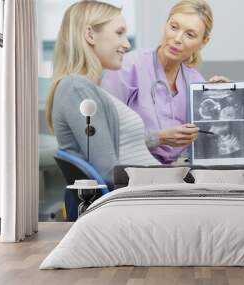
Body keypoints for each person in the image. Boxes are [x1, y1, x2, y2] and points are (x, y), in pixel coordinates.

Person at [45, 0, 161, 220]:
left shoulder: (88, 89)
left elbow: (119, 144)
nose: (127, 44)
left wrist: (161, 140)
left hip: (142, 196)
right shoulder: (76, 88)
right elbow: (108, 171)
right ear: (90, 35)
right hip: (135, 204)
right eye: (119, 33)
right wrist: (166, 180)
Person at [102, 0, 228, 164]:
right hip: (130, 171)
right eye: (174, 27)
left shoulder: (196, 82)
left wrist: (225, 99)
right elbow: (103, 135)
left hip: (175, 173)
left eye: (189, 35)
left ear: (203, 42)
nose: (177, 39)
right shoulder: (128, 67)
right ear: (166, 24)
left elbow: (210, 139)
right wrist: (159, 138)